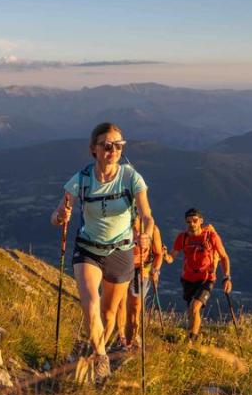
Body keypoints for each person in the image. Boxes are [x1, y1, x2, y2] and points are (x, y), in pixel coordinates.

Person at [51, 122, 154, 381]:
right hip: (88, 248)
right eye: (107, 145)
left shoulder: (131, 178)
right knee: (90, 302)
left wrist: (147, 234)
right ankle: (100, 356)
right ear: (94, 149)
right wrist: (60, 216)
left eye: (119, 145)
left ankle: (94, 352)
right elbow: (57, 215)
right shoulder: (82, 179)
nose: (113, 150)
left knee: (109, 314)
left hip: (121, 251)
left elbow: (147, 216)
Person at [167, 208, 232, 341]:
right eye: (188, 221)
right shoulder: (182, 237)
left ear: (201, 221)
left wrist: (226, 277)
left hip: (206, 279)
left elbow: (224, 257)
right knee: (191, 311)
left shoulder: (211, 237)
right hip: (188, 279)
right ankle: (191, 336)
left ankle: (192, 340)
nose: (192, 224)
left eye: (195, 221)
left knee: (194, 307)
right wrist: (164, 255)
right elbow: (171, 257)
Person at [113, 216, 164, 351]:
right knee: (120, 302)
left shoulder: (152, 230)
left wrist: (155, 269)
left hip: (142, 269)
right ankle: (121, 336)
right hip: (122, 266)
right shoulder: (120, 226)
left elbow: (159, 254)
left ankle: (133, 335)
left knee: (135, 305)